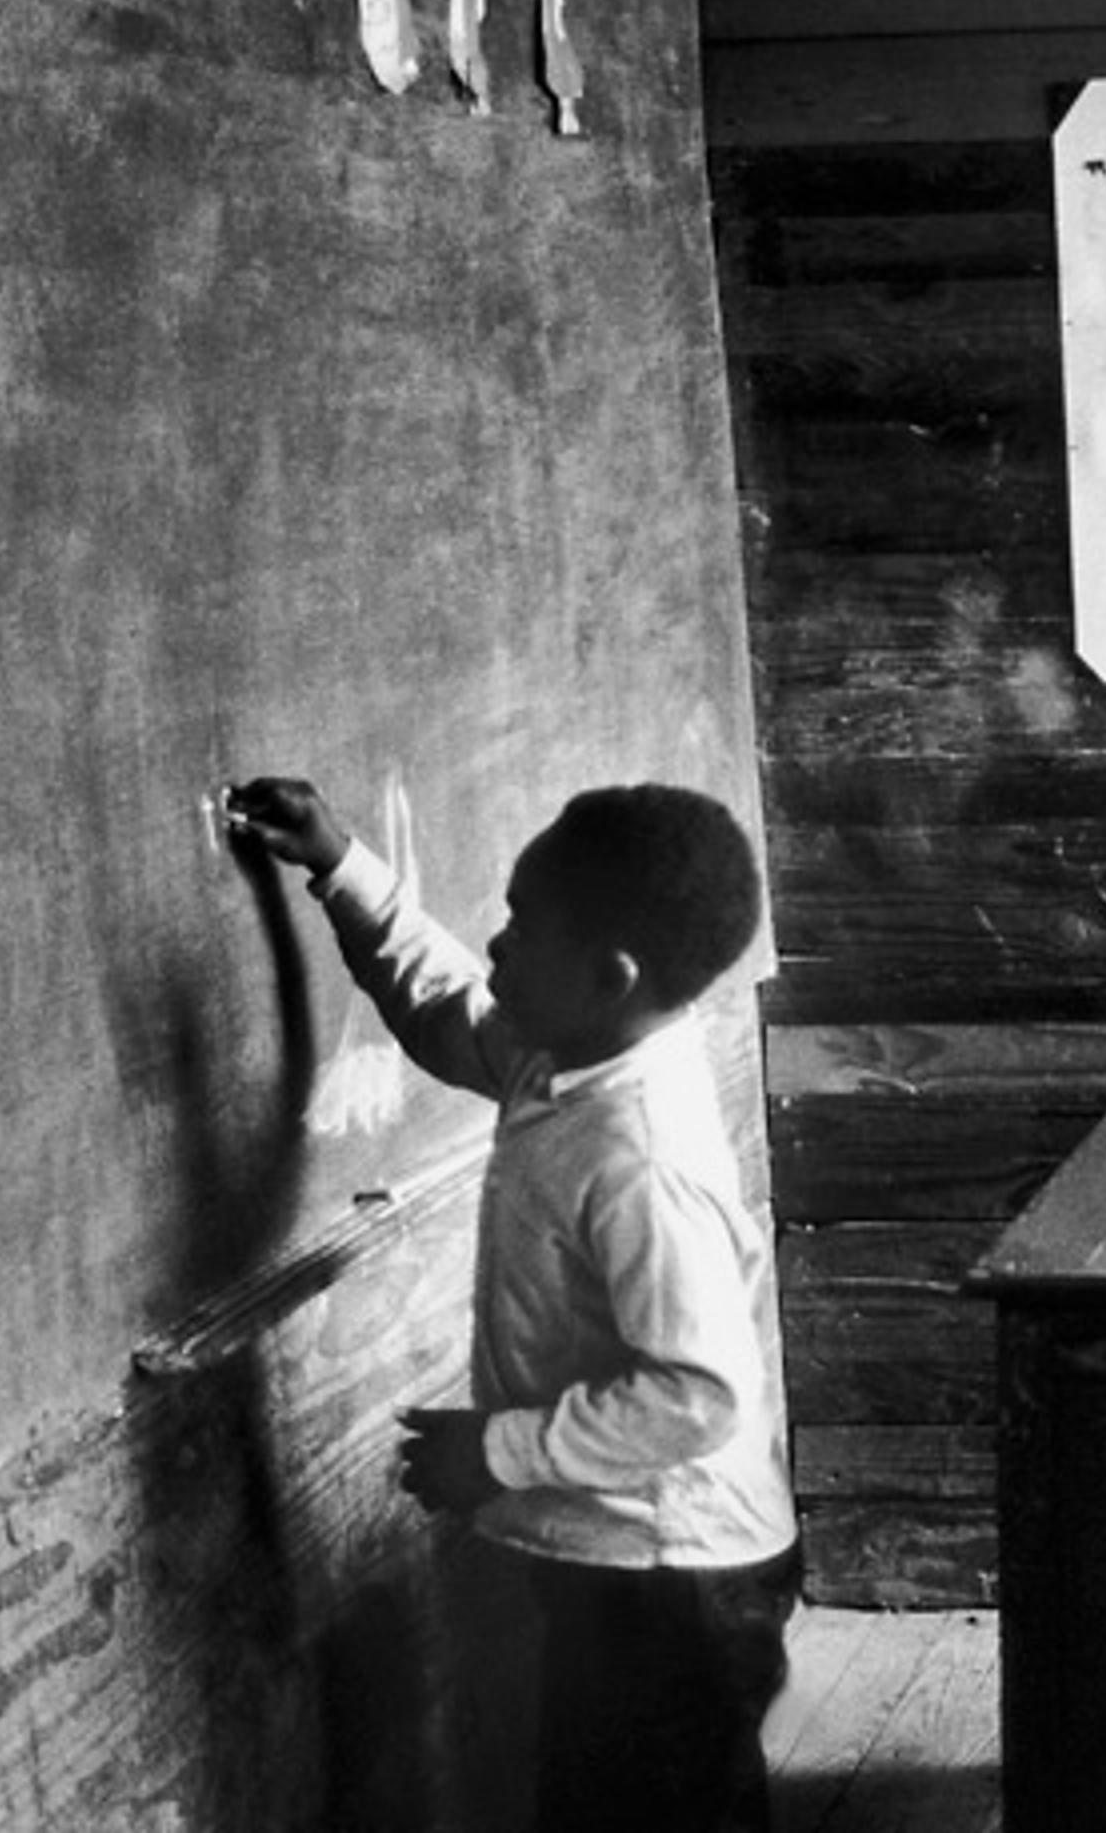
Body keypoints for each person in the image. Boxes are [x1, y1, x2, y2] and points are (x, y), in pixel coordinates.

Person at [225, 773, 801, 1833]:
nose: (495, 946)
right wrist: (342, 867)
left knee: (655, 1813)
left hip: (678, 1575)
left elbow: (697, 1392)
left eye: (520, 928)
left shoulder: (642, 1157)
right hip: (617, 1551)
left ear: (607, 973)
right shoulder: (567, 1048)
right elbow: (446, 1013)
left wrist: (501, 1451)